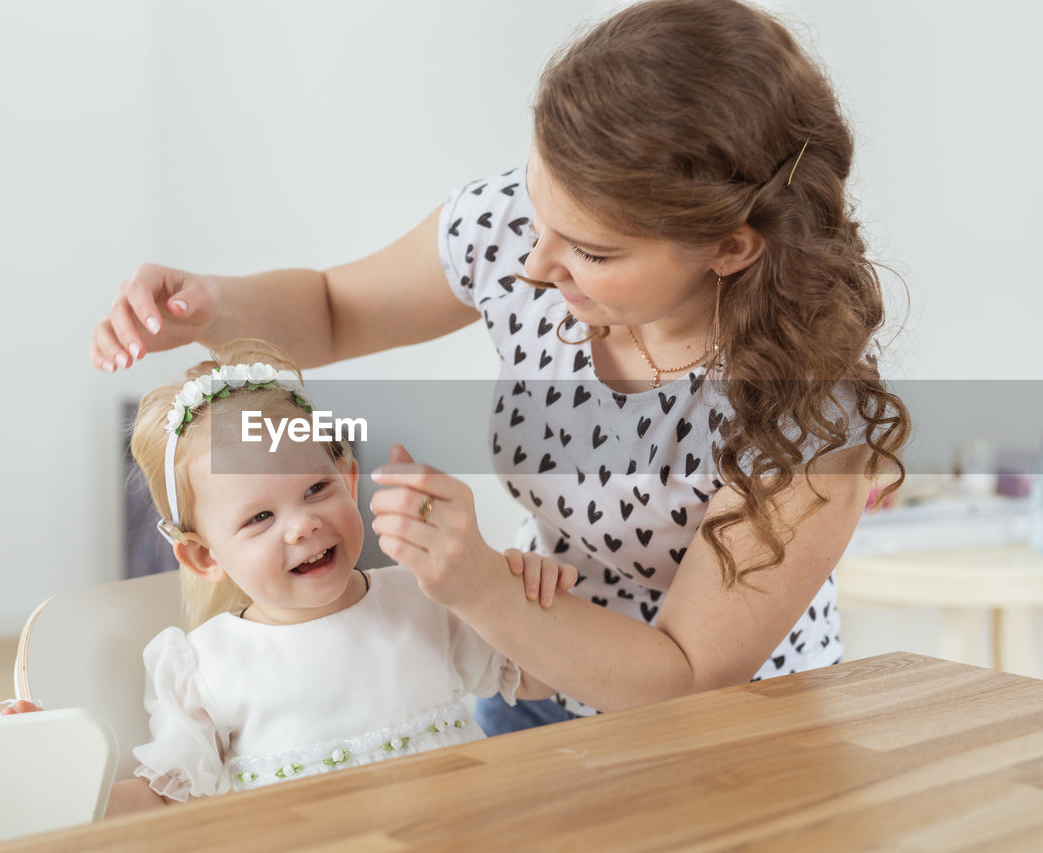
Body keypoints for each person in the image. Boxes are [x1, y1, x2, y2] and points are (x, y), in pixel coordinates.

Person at [87, 0, 910, 735]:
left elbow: (684, 673)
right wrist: (207, 304)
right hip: (521, 687)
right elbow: (336, 310)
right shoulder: (519, 229)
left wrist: (479, 584)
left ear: (731, 248)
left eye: (590, 250)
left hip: (726, 736)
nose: (534, 264)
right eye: (538, 206)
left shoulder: (811, 416)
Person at [8, 340, 569, 816]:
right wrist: (52, 776)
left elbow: (543, 684)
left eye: (316, 489)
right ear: (205, 557)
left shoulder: (425, 596)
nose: (303, 525)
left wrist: (525, 598)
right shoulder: (207, 665)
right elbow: (166, 800)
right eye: (259, 518)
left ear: (349, 481)